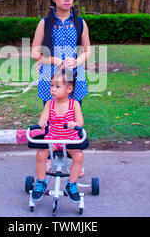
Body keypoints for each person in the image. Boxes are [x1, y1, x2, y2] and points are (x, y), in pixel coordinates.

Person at [30, 69, 89, 203]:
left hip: (69, 140)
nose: (53, 89)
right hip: (53, 139)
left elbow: (80, 121)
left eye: (57, 86)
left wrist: (75, 123)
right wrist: (42, 122)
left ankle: (71, 184)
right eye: (51, 85)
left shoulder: (74, 104)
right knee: (40, 154)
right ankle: (41, 182)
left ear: (69, 89)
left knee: (79, 155)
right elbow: (43, 118)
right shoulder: (50, 104)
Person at [30, 0, 91, 108]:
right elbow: (34, 53)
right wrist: (54, 60)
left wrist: (77, 62)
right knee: (51, 116)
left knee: (72, 116)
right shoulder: (45, 23)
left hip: (74, 76)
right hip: (50, 77)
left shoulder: (80, 23)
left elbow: (87, 51)